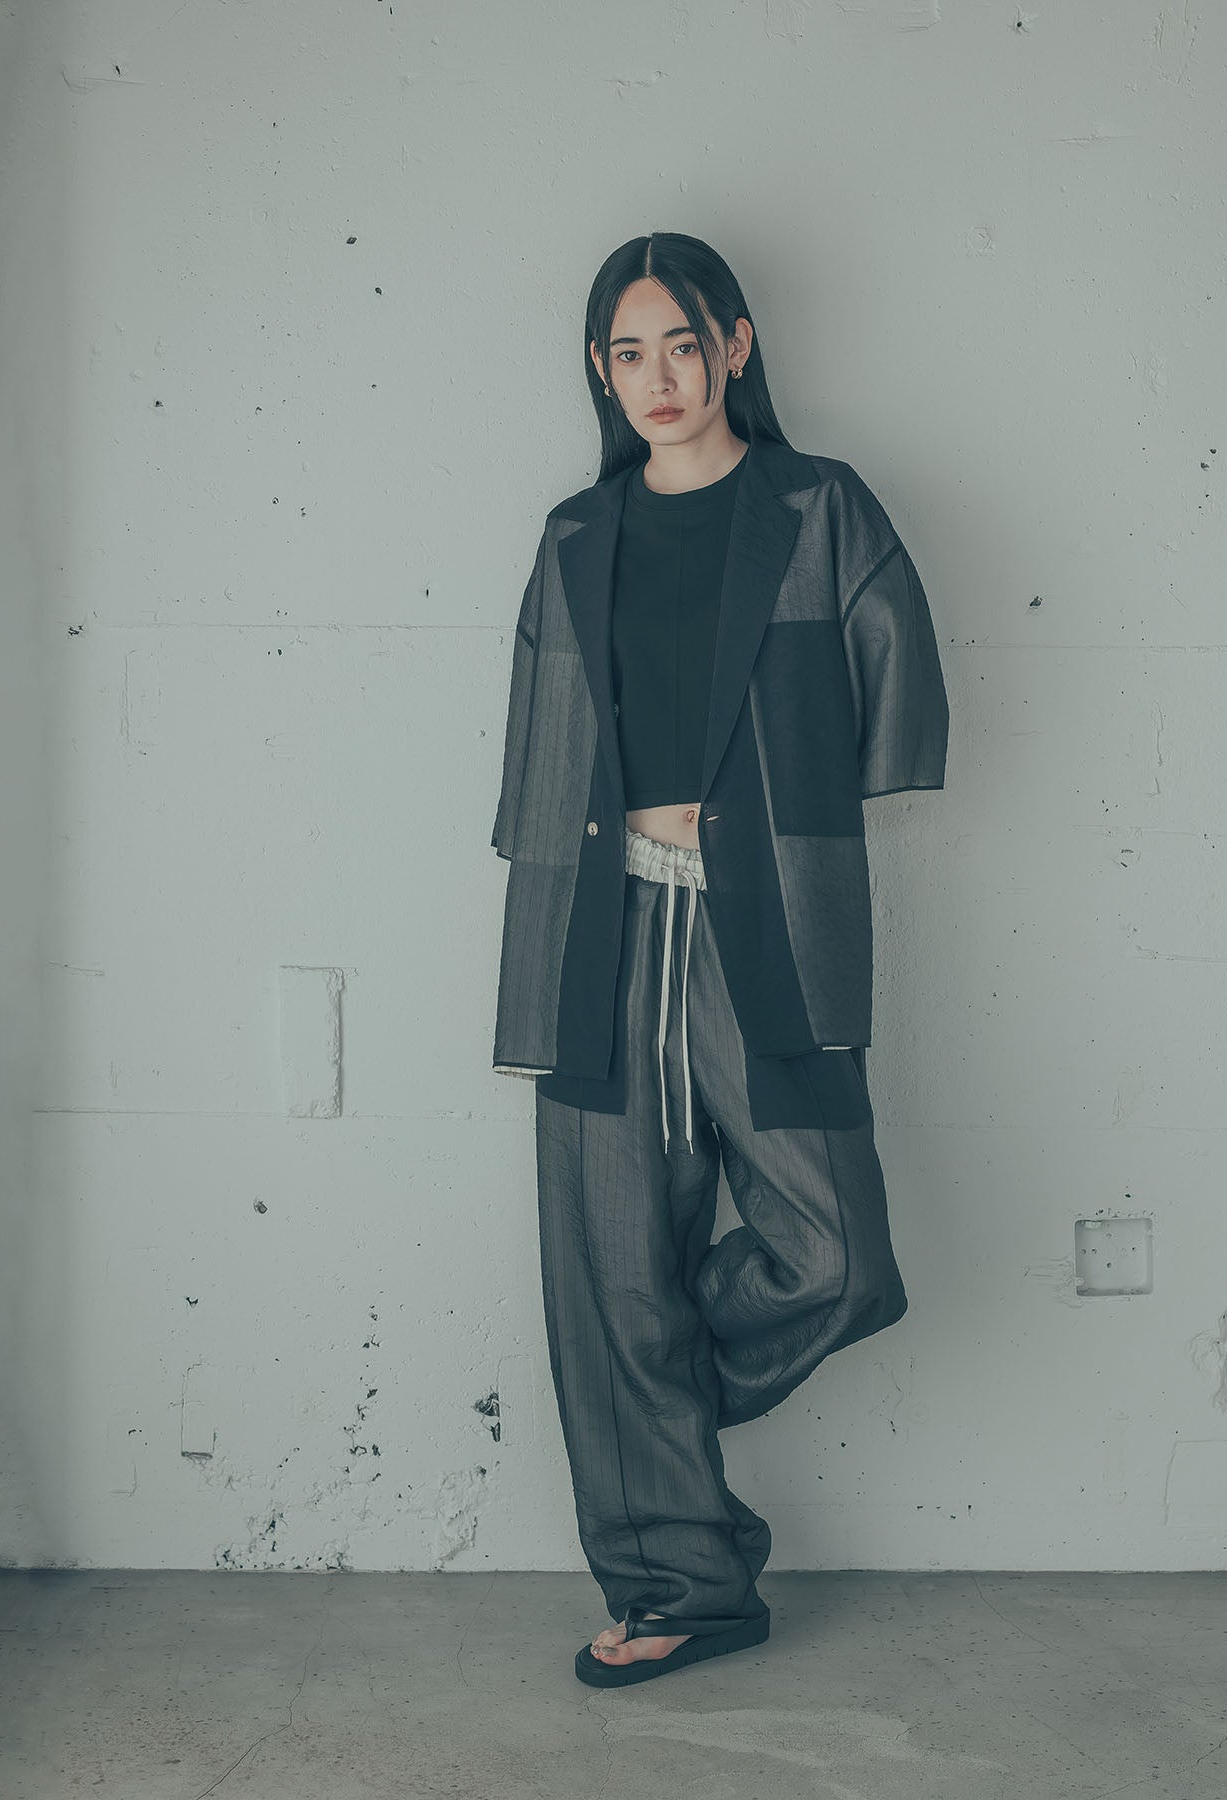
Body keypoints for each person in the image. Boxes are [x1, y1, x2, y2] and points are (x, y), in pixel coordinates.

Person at [488, 232, 950, 1687]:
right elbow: (540, 756)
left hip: (762, 918)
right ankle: (680, 1587)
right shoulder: (577, 535)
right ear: (600, 370)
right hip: (601, 924)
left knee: (838, 1256)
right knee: (608, 1264)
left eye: (681, 344)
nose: (658, 379)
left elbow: (892, 696)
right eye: (627, 353)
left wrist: (776, 807)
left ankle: (654, 1391)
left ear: (735, 345)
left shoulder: (819, 508)